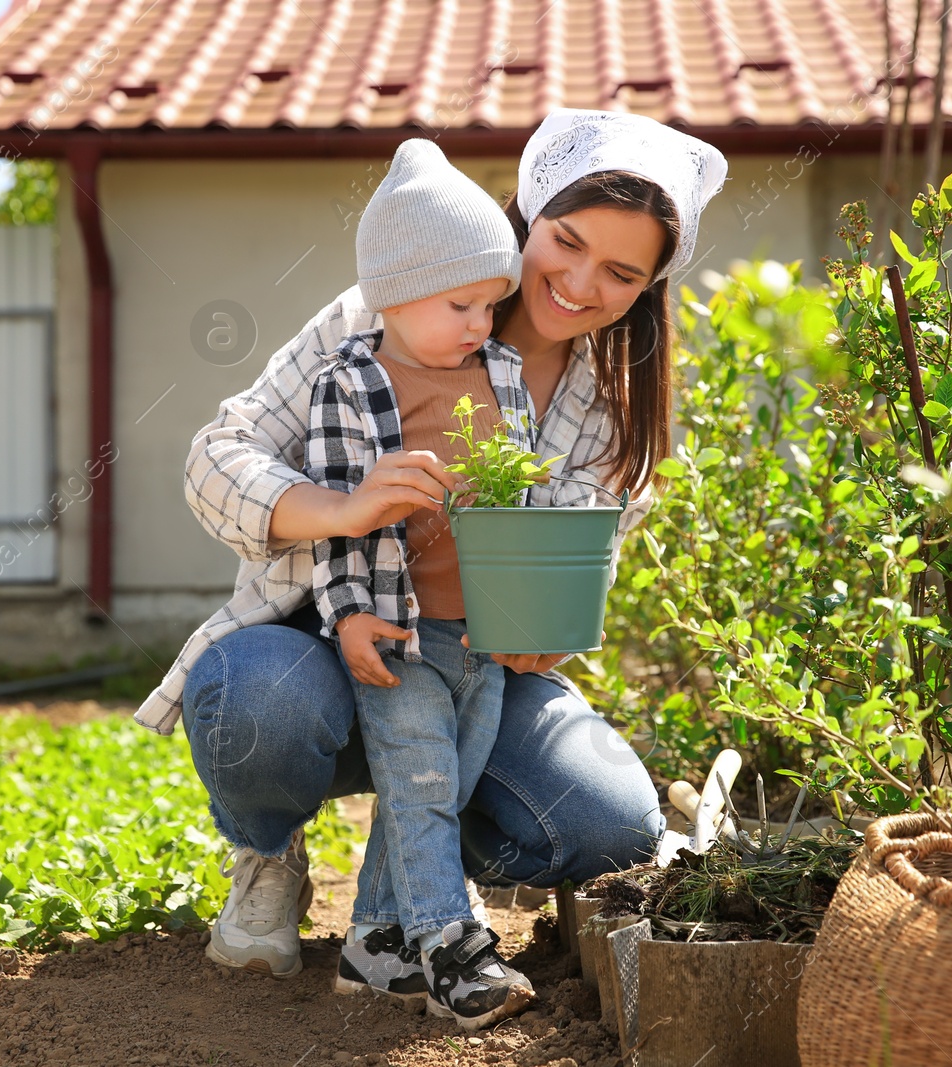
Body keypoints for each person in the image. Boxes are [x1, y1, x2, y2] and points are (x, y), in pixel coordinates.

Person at [135, 109, 728, 992]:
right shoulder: (387, 310)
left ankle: (420, 881)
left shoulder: (612, 400)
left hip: (479, 664)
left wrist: (554, 615)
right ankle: (268, 855)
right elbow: (216, 459)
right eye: (564, 241)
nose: (577, 282)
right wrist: (342, 507)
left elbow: (583, 554)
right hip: (329, 642)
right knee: (251, 695)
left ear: (648, 288)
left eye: (620, 272)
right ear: (529, 214)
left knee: (609, 823)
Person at [305, 138, 540, 1029]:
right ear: (394, 293)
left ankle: (373, 939)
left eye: (491, 303)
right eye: (461, 303)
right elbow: (340, 515)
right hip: (399, 632)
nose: (482, 322)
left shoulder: (504, 376)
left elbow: (527, 495)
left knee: (442, 782)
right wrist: (348, 616)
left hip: (484, 629)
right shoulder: (351, 385)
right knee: (421, 786)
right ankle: (454, 949)